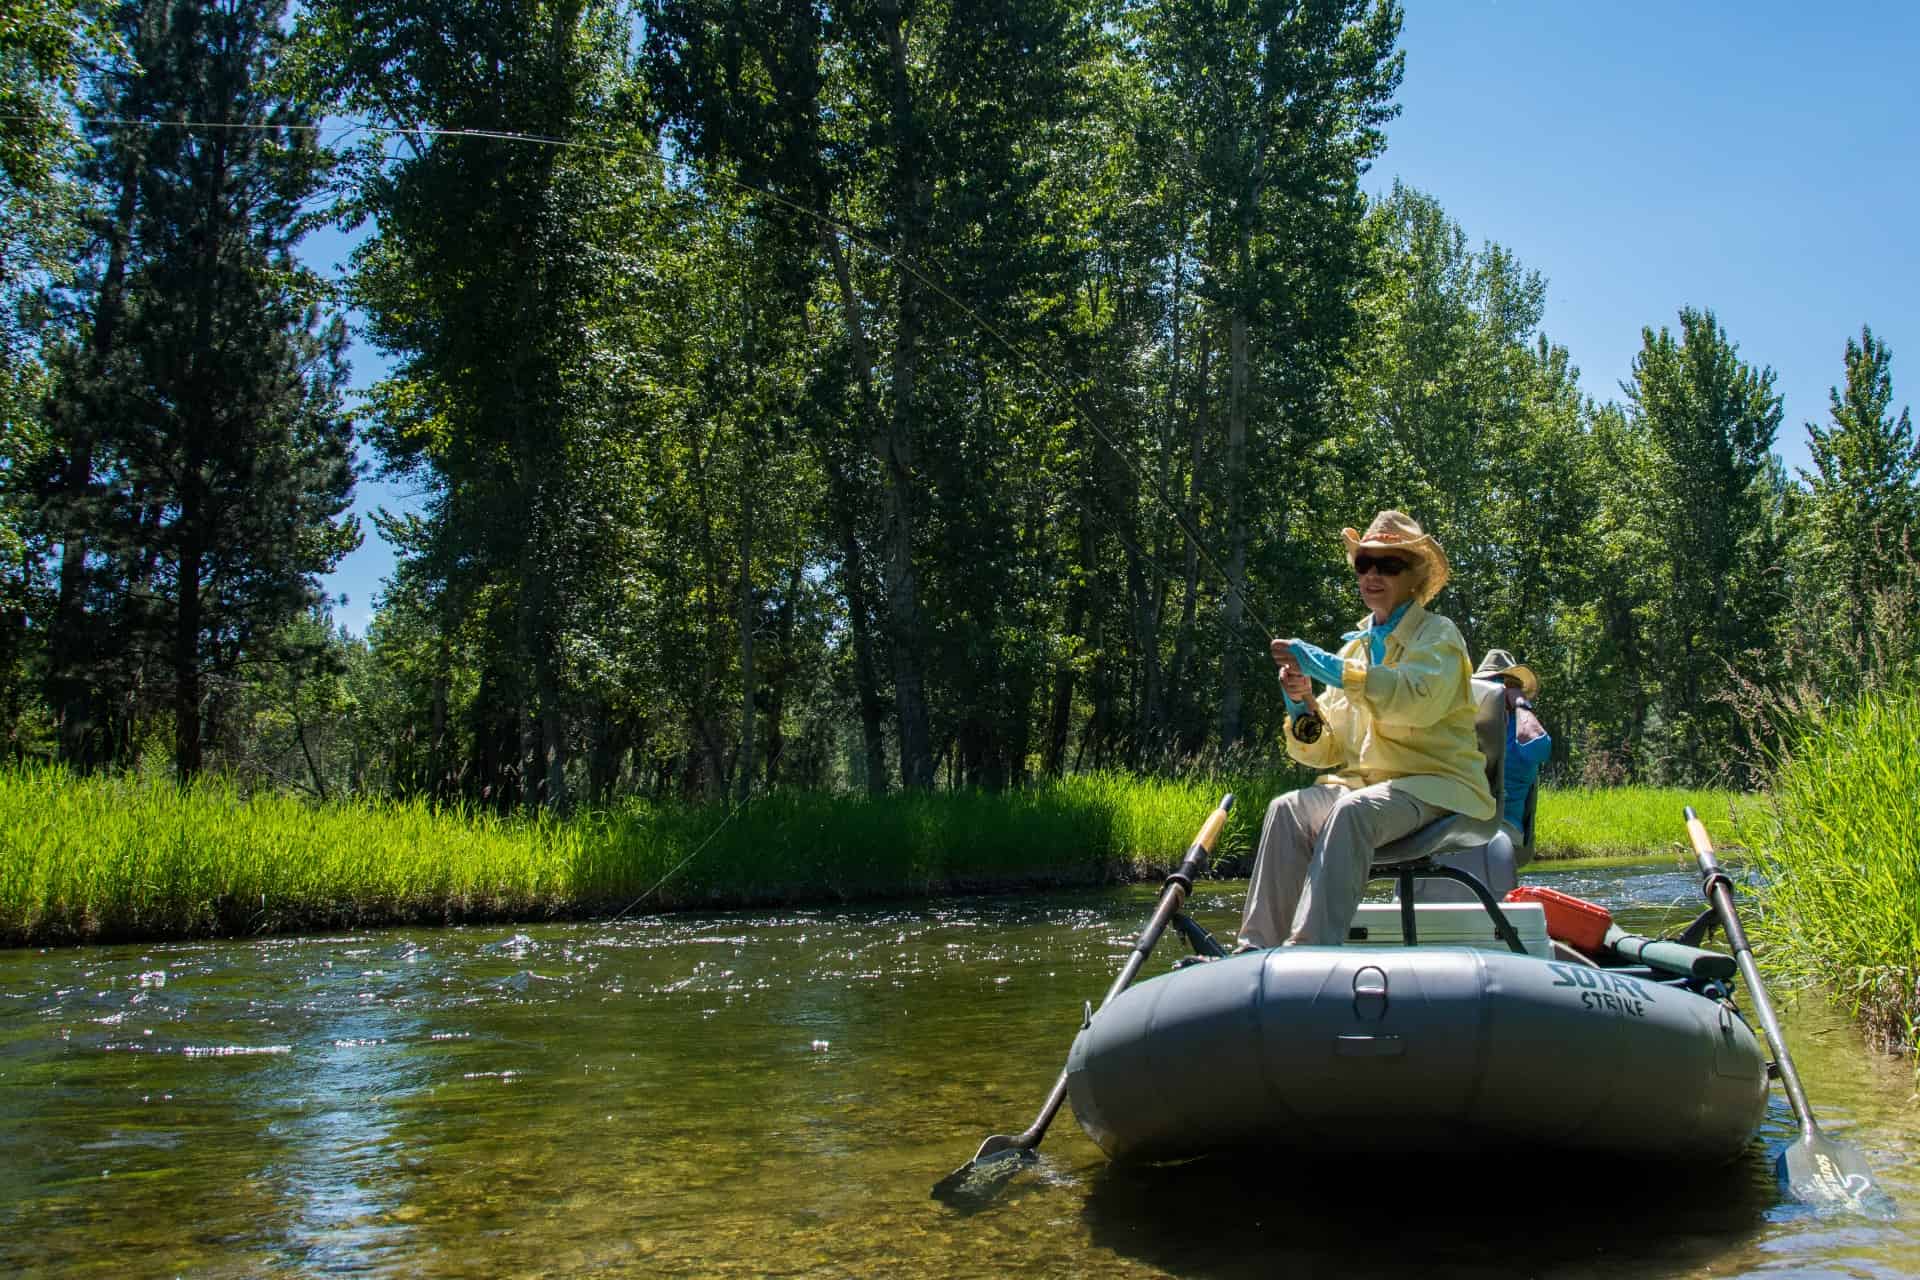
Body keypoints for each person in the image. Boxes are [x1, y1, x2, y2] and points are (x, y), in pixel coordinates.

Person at [1237, 510, 1495, 949]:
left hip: (1438, 787)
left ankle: (1310, 952)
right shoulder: (1354, 648)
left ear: (1414, 576)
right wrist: (1300, 700)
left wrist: (1338, 672)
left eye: (1389, 565)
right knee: (1286, 809)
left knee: (1352, 812)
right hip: (1366, 787)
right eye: (1364, 565)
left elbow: (1412, 703)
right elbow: (1326, 749)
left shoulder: (1439, 636)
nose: (1373, 575)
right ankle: (1256, 951)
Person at [1415, 649, 1551, 901]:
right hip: (1455, 821)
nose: (1497, 691)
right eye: (1491, 685)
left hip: (1502, 827)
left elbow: (1539, 746)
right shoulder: (1462, 727)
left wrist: (1519, 703)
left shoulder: (1522, 731)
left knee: (1483, 840)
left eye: (1505, 686)